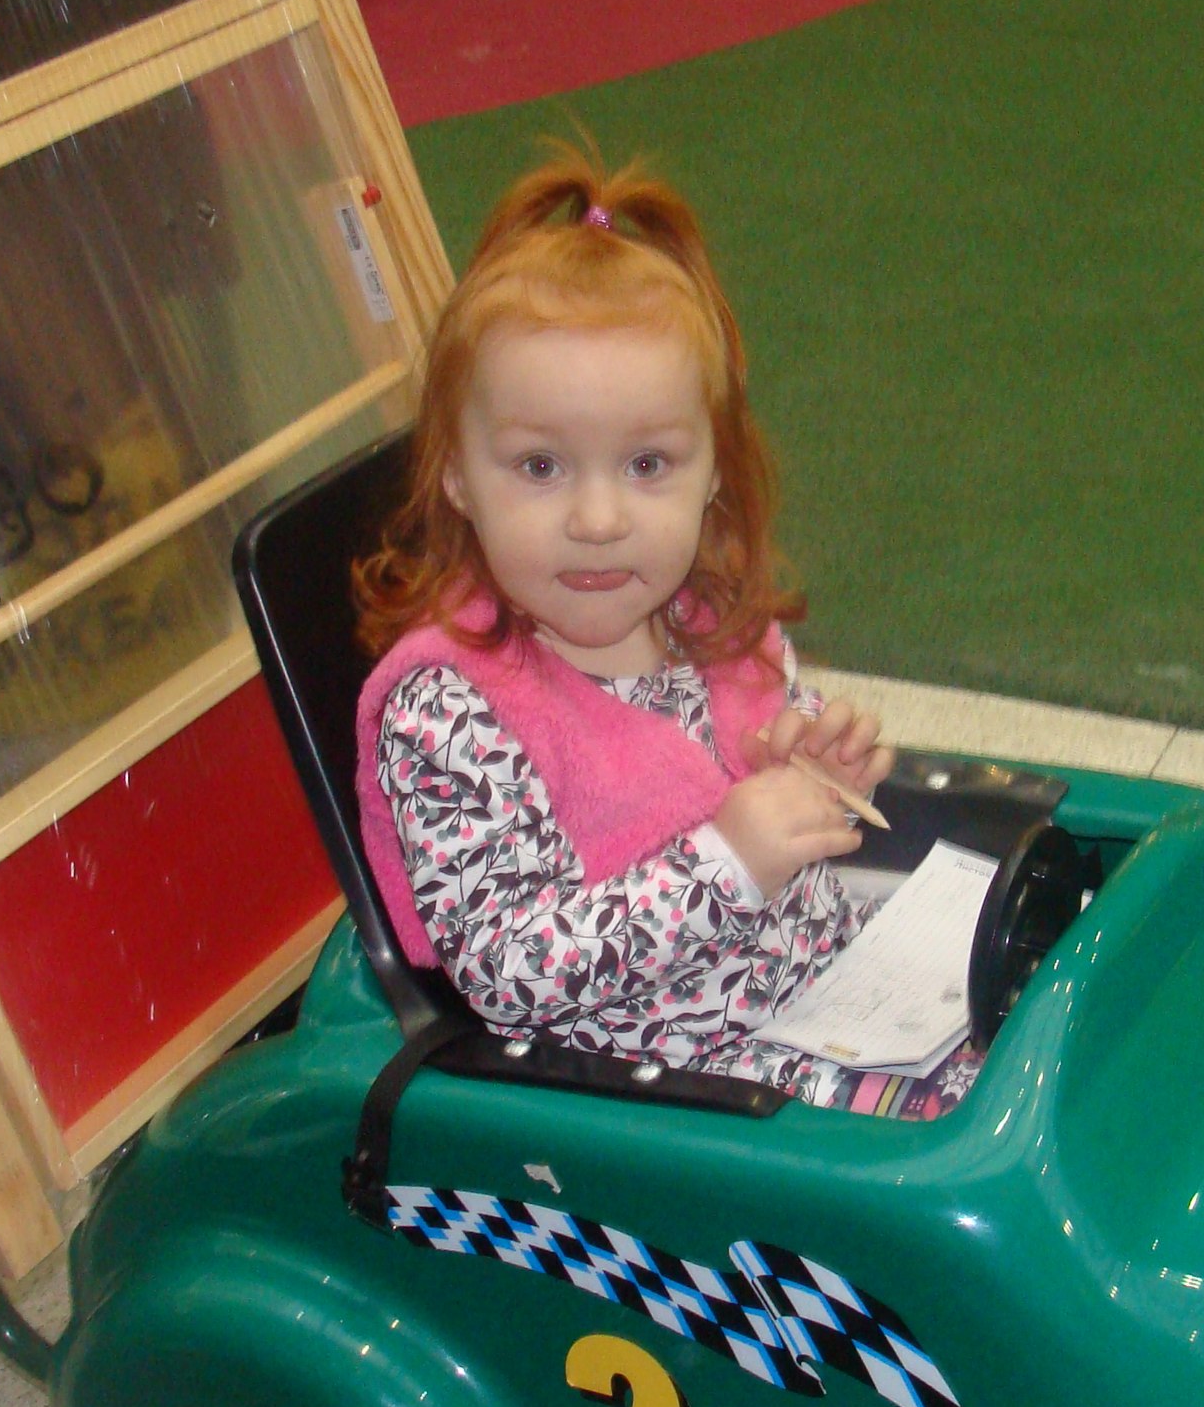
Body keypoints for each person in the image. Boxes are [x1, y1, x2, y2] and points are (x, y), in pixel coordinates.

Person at [353, 154, 982, 1121]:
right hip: (684, 1093)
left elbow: (753, 764)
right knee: (982, 1152)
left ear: (713, 472)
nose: (599, 519)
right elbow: (509, 975)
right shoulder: (449, 712)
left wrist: (816, 766)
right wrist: (727, 865)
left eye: (647, 464)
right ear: (457, 478)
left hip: (830, 1004)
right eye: (540, 467)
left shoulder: (703, 620)